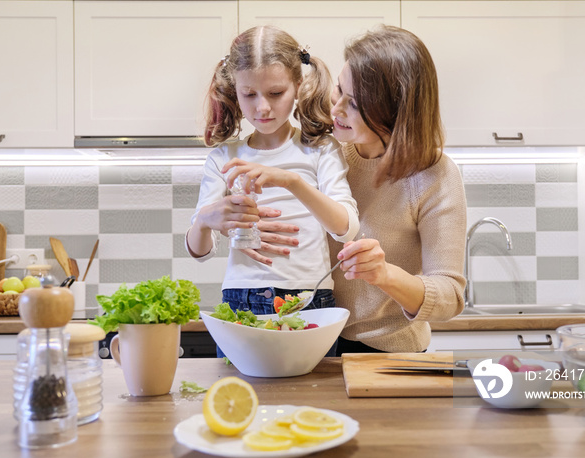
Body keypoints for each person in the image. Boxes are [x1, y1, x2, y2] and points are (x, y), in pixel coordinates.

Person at [243, 25, 467, 354]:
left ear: (395, 111)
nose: (335, 110)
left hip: (388, 353)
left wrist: (384, 274)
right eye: (339, 90)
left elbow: (450, 297)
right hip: (314, 340)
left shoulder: (434, 175)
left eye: (356, 104)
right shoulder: (324, 153)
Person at [185, 26, 359, 341]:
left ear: (298, 85)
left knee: (311, 391)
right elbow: (200, 252)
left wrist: (292, 181)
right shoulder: (224, 156)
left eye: (276, 93)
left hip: (310, 297)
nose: (262, 107)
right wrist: (206, 220)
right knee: (244, 389)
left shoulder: (320, 149)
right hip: (241, 299)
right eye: (249, 94)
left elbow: (346, 228)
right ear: (234, 90)